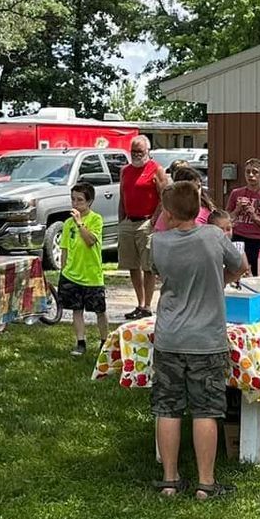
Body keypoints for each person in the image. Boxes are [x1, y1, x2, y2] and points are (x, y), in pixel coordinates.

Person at [150, 178, 249, 501]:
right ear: (200, 208)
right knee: (206, 409)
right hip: (207, 338)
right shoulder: (214, 237)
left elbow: (159, 274)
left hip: (169, 336)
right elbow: (241, 267)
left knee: (167, 407)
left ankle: (169, 479)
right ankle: (206, 483)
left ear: (169, 212)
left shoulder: (158, 242)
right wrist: (217, 282)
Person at [58, 183, 109, 357]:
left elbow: (90, 241)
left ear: (90, 201)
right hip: (71, 274)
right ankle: (80, 342)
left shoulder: (96, 219)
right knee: (76, 310)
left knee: (99, 311)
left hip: (92, 274)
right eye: (73, 199)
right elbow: (64, 248)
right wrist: (63, 270)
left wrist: (80, 223)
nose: (75, 203)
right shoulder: (66, 224)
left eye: (80, 200)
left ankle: (105, 341)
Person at [117, 135, 164, 320]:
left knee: (148, 266)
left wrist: (154, 220)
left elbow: (164, 197)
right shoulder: (125, 171)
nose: (136, 155)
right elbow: (122, 196)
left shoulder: (156, 169)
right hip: (129, 221)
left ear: (148, 151)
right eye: (133, 151)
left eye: (140, 152)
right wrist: (121, 219)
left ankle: (147, 306)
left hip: (146, 222)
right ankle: (139, 302)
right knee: (131, 265)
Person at [227, 158, 260, 273]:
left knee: (255, 273)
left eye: (255, 172)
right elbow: (226, 220)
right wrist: (237, 209)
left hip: (256, 240)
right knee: (234, 272)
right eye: (248, 172)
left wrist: (254, 217)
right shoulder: (236, 193)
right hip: (237, 237)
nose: (251, 175)